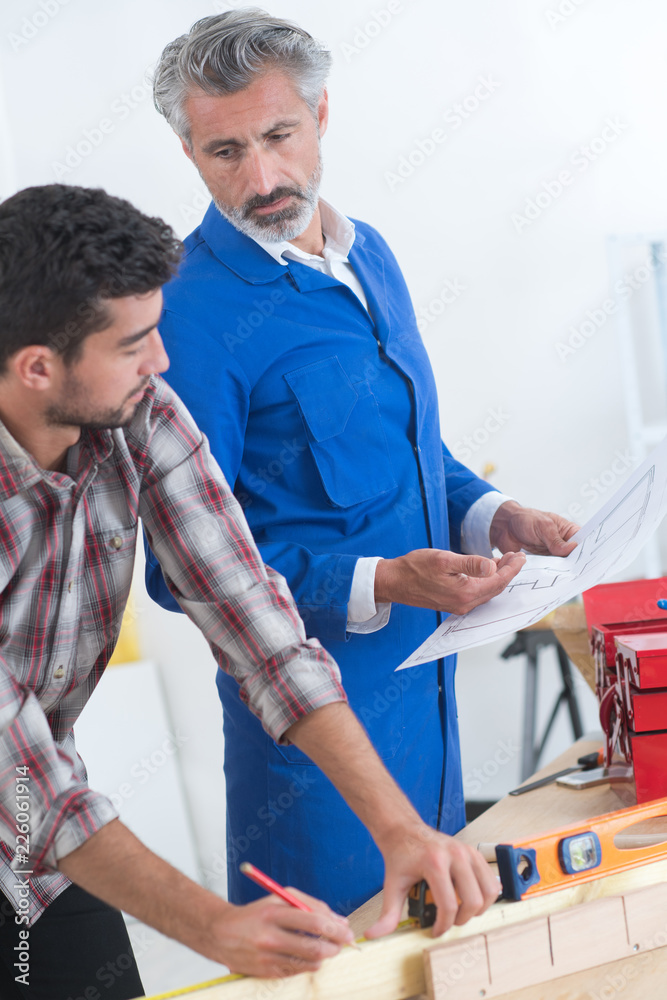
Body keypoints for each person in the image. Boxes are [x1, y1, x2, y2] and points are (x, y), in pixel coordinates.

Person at [0, 184, 505, 1000]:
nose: (162, 363)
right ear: (37, 369)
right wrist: (212, 925)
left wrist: (399, 831)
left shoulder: (138, 411)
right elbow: (16, 769)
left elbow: (257, 624)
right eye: (134, 346)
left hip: (31, 830)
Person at [146, 6, 579, 921]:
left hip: (431, 706)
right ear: (188, 152)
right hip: (310, 754)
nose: (261, 178)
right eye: (225, 152)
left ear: (322, 116)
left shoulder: (368, 254)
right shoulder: (188, 314)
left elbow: (416, 455)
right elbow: (178, 571)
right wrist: (385, 577)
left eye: (277, 135)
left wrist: (492, 514)